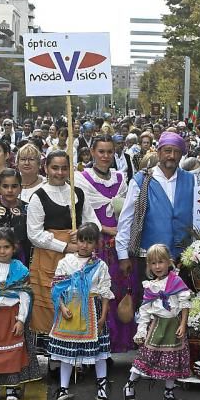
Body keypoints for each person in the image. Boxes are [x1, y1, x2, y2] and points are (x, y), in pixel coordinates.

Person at [28, 151, 99, 354]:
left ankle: (76, 356)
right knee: (52, 305)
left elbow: (94, 221)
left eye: (64, 168)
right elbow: (34, 234)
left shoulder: (78, 193)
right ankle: (53, 357)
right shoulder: (38, 196)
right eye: (55, 168)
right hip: (48, 258)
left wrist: (85, 231)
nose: (59, 172)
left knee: (78, 302)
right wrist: (66, 246)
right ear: (46, 168)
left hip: (79, 258)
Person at [115, 131, 197, 300]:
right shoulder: (141, 180)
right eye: (167, 150)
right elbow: (126, 219)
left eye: (176, 152)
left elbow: (198, 218)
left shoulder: (191, 180)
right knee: (149, 307)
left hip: (183, 257)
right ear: (158, 152)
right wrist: (123, 255)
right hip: (150, 259)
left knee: (181, 306)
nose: (171, 156)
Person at [77, 136, 135, 353]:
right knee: (96, 294)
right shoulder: (81, 178)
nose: (105, 156)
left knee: (117, 294)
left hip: (118, 245)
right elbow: (84, 213)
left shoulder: (121, 178)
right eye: (101, 151)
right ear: (92, 152)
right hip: (96, 245)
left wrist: (120, 233)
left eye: (109, 152)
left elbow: (128, 212)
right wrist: (105, 228)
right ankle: (92, 345)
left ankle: (113, 344)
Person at [0, 227, 45, 400]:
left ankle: (13, 388)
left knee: (13, 352)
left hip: (11, 316)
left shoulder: (20, 270)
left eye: (6, 247)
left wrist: (21, 320)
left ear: (14, 248)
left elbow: (25, 296)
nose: (2, 251)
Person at [51, 223, 115, 400]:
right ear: (76, 241)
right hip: (70, 309)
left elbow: (105, 292)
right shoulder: (65, 262)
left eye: (89, 242)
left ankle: (102, 387)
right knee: (67, 353)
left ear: (96, 244)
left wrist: (103, 316)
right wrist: (62, 308)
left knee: (100, 353)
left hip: (93, 311)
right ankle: (63, 388)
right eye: (81, 240)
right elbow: (57, 289)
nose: (84, 245)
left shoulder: (100, 265)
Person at [124, 243, 192, 400]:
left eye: (160, 262)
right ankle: (130, 384)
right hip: (157, 327)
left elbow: (184, 304)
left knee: (172, 360)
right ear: (148, 266)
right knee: (146, 357)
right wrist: (141, 331)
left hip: (173, 326)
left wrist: (183, 324)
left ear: (168, 262)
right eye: (153, 263)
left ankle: (169, 391)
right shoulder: (150, 286)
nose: (157, 266)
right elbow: (145, 311)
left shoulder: (176, 281)